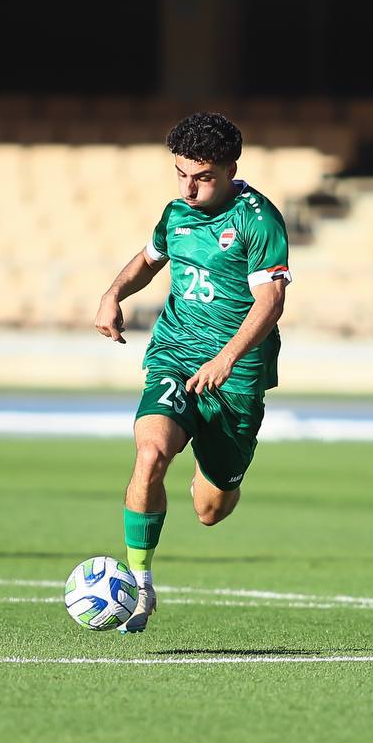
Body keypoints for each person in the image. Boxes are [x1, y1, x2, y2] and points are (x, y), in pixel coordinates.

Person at [94, 112, 292, 633]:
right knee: (150, 454)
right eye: (181, 174)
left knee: (210, 509)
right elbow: (149, 259)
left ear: (230, 170)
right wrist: (113, 294)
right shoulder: (176, 213)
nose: (188, 187)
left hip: (236, 375)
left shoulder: (258, 220)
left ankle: (216, 468)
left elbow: (270, 301)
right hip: (175, 354)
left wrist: (226, 358)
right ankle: (140, 585)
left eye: (202, 177)